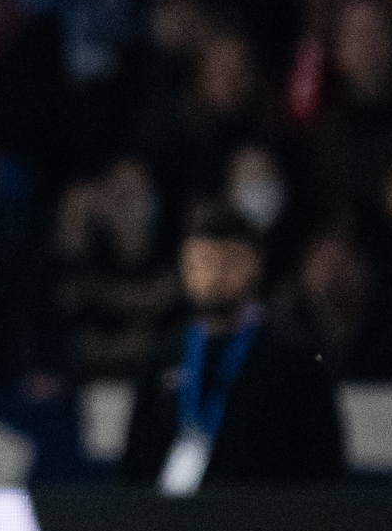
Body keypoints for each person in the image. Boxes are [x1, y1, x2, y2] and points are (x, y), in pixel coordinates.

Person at [120, 204, 348, 491]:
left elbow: (323, 461)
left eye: (228, 262)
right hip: (176, 525)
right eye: (201, 262)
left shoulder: (294, 352)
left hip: (268, 525)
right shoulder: (163, 353)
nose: (214, 275)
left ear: (255, 264)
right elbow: (136, 463)